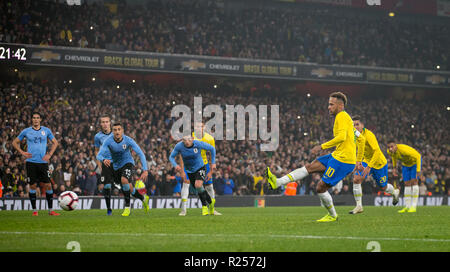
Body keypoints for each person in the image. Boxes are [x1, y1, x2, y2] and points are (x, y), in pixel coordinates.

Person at [266, 92, 365, 222]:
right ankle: (277, 182)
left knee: (320, 188)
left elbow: (341, 137)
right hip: (337, 156)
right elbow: (361, 138)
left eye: (331, 104)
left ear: (340, 106)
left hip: (343, 160)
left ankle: (333, 215)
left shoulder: (341, 117)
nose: (328, 107)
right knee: (310, 167)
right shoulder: (347, 120)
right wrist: (358, 160)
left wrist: (321, 146)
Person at [96, 122, 150, 216]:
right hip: (116, 167)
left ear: (122, 131)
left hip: (128, 163)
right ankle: (143, 199)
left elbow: (140, 153)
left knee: (124, 180)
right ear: (112, 131)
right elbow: (99, 155)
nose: (117, 132)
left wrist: (145, 170)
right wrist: (103, 159)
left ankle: (127, 208)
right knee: (130, 188)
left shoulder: (128, 140)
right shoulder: (108, 141)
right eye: (115, 130)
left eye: (119, 130)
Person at [12, 112, 60, 216]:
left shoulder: (46, 130)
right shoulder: (26, 131)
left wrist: (50, 154)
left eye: (37, 118)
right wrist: (22, 152)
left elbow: (55, 142)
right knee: (32, 186)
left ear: (40, 120)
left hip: (43, 163)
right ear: (32, 120)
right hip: (31, 163)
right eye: (34, 118)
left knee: (48, 185)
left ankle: (50, 210)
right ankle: (35, 210)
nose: (36, 120)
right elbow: (14, 142)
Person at [349, 115, 399, 214]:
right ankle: (359, 206)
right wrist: (358, 162)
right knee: (356, 179)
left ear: (362, 125)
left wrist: (369, 167)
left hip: (379, 163)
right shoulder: (355, 135)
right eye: (353, 125)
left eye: (357, 124)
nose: (355, 127)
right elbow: (358, 150)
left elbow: (376, 152)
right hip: (366, 161)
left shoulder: (369, 135)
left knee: (383, 187)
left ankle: (394, 192)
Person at [178, 122, 221, 216]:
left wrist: (212, 165)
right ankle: (183, 210)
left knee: (209, 186)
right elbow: (181, 153)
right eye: (196, 126)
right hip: (189, 164)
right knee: (186, 184)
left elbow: (212, 152)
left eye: (200, 126)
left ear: (204, 127)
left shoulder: (209, 138)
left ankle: (212, 209)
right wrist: (181, 170)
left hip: (203, 164)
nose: (198, 128)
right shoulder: (189, 137)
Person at [169, 135, 217, 216]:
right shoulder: (179, 146)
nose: (187, 142)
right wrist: (175, 165)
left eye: (188, 140)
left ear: (192, 139)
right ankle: (211, 202)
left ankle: (204, 207)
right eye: (184, 140)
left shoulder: (198, 143)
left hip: (200, 167)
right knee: (199, 189)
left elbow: (212, 148)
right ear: (182, 140)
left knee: (198, 185)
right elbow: (171, 157)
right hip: (189, 171)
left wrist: (213, 162)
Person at [387, 140, 421, 213]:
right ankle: (407, 206)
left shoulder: (404, 150)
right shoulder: (389, 152)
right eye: (389, 147)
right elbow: (394, 157)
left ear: (396, 146)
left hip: (414, 164)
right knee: (406, 184)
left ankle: (414, 206)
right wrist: (394, 167)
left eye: (392, 146)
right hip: (405, 165)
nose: (390, 149)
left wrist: (418, 170)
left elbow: (418, 156)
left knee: (414, 182)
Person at [94, 114, 115, 215]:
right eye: (103, 122)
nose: (105, 124)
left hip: (117, 163)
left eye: (107, 122)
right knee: (106, 186)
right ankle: (109, 208)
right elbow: (97, 151)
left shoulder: (116, 133)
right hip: (106, 163)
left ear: (110, 122)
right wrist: (99, 164)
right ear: (100, 124)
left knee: (126, 184)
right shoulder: (97, 136)